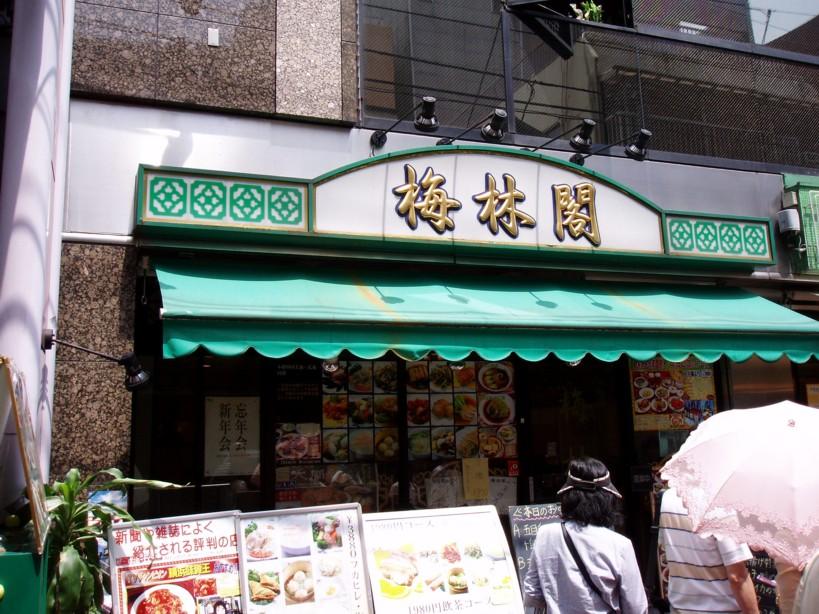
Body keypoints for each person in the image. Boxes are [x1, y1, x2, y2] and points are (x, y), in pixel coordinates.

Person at [523, 457, 648, 613]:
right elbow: (636, 606)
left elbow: (532, 594)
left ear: (567, 496)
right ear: (607, 499)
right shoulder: (620, 545)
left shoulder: (546, 535)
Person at [659, 487, 758, 614]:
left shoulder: (668, 497)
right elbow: (737, 577)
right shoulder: (720, 505)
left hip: (680, 608)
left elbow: (667, 548)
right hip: (720, 609)